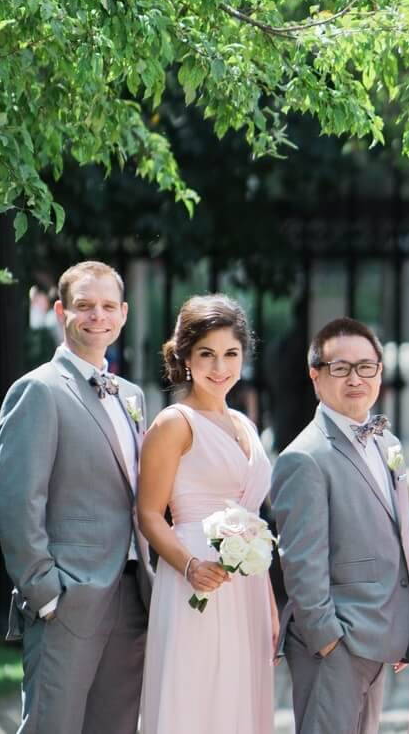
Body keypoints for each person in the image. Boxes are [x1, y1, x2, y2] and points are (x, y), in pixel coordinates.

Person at [0, 260, 153, 734]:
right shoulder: (37, 390)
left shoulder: (132, 396)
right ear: (62, 311)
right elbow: (16, 500)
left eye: (107, 306)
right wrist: (44, 592)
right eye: (84, 305)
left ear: (122, 314)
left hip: (131, 595)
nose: (96, 316)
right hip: (68, 599)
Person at [269, 318, 409, 734]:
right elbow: (301, 561)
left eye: (366, 366)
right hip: (336, 643)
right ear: (316, 377)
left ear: (380, 372)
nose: (356, 378)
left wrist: (405, 626)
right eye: (341, 368)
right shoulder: (304, 457)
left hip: (381, 634)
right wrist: (328, 640)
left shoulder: (388, 444)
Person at [136, 295, 275, 734]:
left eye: (231, 354)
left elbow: (254, 522)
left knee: (239, 698)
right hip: (193, 576)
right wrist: (191, 566)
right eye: (207, 354)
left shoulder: (245, 425)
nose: (220, 367)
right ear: (185, 357)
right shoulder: (174, 423)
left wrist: (270, 604)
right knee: (195, 695)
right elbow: (149, 514)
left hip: (247, 585)